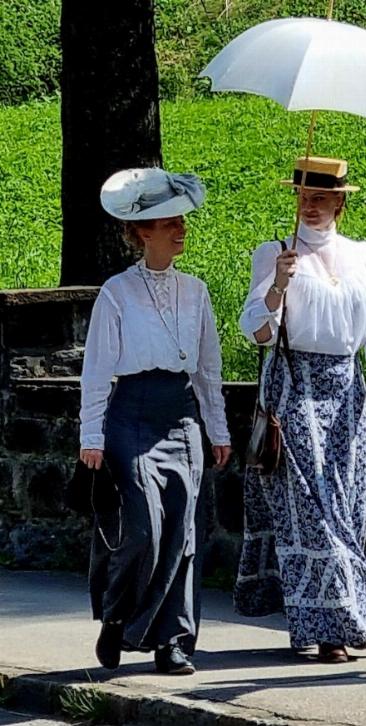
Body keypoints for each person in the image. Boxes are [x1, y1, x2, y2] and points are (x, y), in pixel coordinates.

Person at [235, 156, 366, 663]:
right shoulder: (275, 253)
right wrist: (277, 286)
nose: (310, 207)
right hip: (292, 386)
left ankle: (338, 622)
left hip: (348, 389)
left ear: (340, 202)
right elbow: (255, 332)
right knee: (310, 511)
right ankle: (334, 624)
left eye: (321, 198)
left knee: (347, 507)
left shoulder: (362, 255)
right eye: (303, 197)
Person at [80, 168, 232, 675]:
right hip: (132, 415)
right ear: (143, 232)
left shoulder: (196, 291)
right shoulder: (117, 293)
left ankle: (173, 639)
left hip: (180, 414)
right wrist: (92, 436)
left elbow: (208, 368)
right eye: (169, 223)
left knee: (184, 531)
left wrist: (218, 430)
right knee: (143, 528)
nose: (180, 230)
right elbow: (98, 370)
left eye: (182, 221)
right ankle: (118, 616)